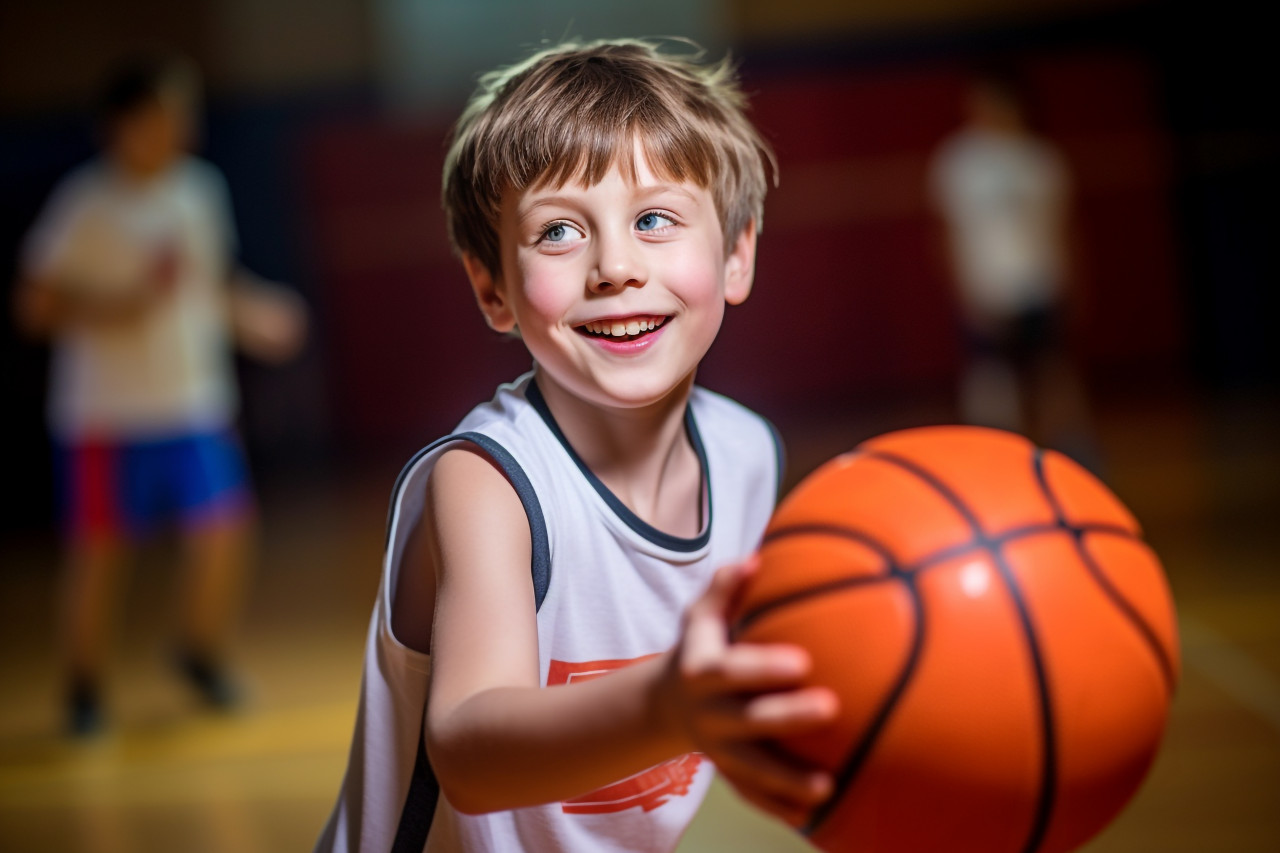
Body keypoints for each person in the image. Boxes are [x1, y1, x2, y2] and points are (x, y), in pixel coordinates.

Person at [316, 39, 838, 853]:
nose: (616, 266)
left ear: (736, 255)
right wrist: (669, 705)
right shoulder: (488, 481)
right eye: (559, 231)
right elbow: (469, 751)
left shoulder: (748, 456)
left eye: (655, 218)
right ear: (493, 288)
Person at [13, 53, 306, 736]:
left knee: (225, 532)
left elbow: (212, 285)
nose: (179, 126)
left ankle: (197, 651)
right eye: (164, 113)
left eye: (184, 112)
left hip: (194, 402)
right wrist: (119, 303)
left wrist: (255, 315)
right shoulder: (86, 203)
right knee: (101, 554)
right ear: (122, 124)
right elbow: (35, 304)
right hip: (106, 416)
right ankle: (83, 685)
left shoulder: (199, 190)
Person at [929, 67, 1096, 465]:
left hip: (1039, 286)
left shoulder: (1042, 160)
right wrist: (965, 291)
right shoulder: (959, 162)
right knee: (992, 381)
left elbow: (1062, 229)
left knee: (1053, 374)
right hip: (988, 289)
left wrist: (1072, 283)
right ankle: (996, 461)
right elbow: (947, 235)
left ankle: (1075, 458)